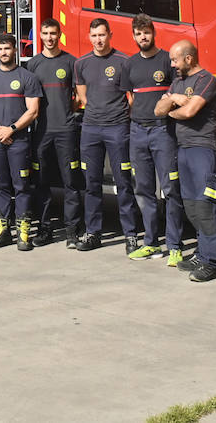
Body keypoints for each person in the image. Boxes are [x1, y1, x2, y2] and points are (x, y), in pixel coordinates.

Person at [157, 40, 216, 282]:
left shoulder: (207, 80)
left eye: (175, 59)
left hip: (203, 149)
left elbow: (188, 112)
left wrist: (172, 112)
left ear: (188, 58)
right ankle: (201, 254)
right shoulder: (178, 82)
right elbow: (157, 109)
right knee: (192, 206)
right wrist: (174, 96)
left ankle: (212, 262)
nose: (172, 64)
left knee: (205, 206)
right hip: (183, 149)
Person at [74, 18, 143, 253]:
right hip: (91, 129)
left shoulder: (124, 61)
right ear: (89, 36)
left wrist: (120, 118)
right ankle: (93, 233)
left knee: (123, 183)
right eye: (94, 36)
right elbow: (82, 97)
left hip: (117, 129)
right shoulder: (81, 63)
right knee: (91, 184)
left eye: (102, 35)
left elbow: (131, 99)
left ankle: (131, 235)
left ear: (110, 35)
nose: (98, 40)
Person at [0, 33, 42, 250]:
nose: (4, 52)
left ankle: (23, 232)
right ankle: (2, 229)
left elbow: (33, 110)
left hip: (19, 140)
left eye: (7, 48)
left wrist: (11, 129)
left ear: (15, 50)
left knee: (21, 185)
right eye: (0, 49)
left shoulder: (27, 77)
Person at [125, 14, 184, 264]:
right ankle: (151, 243)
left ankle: (174, 246)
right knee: (144, 190)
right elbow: (129, 96)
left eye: (146, 32)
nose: (143, 37)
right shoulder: (129, 64)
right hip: (138, 132)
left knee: (170, 189)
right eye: (138, 34)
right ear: (134, 36)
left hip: (163, 132)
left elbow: (178, 91)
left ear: (154, 32)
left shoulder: (166, 60)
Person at [28, 18, 84, 248]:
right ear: (40, 36)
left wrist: (65, 113)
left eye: (53, 33)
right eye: (45, 33)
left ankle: (72, 231)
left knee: (71, 182)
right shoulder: (32, 65)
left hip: (66, 131)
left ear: (59, 34)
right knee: (41, 182)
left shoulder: (71, 62)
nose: (49, 37)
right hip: (42, 133)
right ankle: (44, 229)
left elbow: (79, 96)